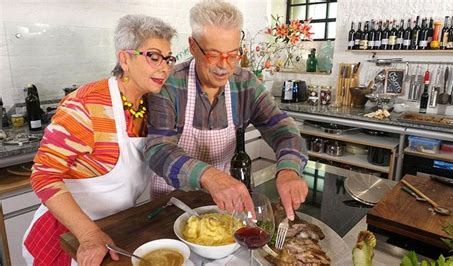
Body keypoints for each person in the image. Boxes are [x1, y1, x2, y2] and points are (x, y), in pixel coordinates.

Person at [22, 14, 176, 265]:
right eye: (154, 56)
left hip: (116, 225)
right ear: (124, 59)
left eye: (168, 58)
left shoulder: (152, 104)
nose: (164, 67)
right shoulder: (85, 104)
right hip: (70, 235)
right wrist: (89, 234)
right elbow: (43, 174)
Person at [145, 0, 308, 221]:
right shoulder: (169, 84)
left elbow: (283, 129)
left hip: (224, 205)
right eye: (214, 55)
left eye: (233, 54)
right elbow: (158, 150)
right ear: (193, 46)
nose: (225, 66)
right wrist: (208, 175)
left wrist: (288, 170)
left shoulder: (245, 84)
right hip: (171, 206)